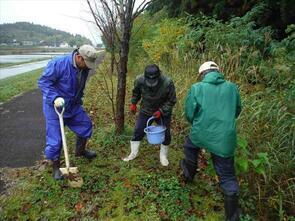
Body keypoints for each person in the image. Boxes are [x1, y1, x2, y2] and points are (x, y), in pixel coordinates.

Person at [179, 61, 242, 221]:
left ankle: (189, 174)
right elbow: (237, 110)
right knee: (227, 176)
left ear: (202, 74)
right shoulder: (232, 87)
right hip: (225, 138)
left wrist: (199, 123)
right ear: (217, 72)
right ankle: (232, 217)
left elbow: (189, 113)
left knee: (190, 147)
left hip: (201, 133)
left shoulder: (197, 88)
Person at [38, 45, 97, 180]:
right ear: (78, 57)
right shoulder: (58, 64)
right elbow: (43, 82)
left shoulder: (83, 67)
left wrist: (78, 99)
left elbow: (78, 86)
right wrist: (55, 98)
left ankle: (80, 151)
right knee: (55, 140)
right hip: (54, 107)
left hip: (72, 105)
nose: (88, 66)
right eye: (86, 63)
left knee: (85, 125)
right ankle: (56, 167)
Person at [123, 64, 177, 166]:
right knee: (138, 130)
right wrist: (133, 103)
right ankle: (133, 153)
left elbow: (172, 100)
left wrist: (161, 111)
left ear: (159, 75)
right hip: (146, 110)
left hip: (163, 112)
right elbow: (136, 93)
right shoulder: (139, 80)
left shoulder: (167, 82)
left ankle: (163, 156)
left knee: (166, 134)